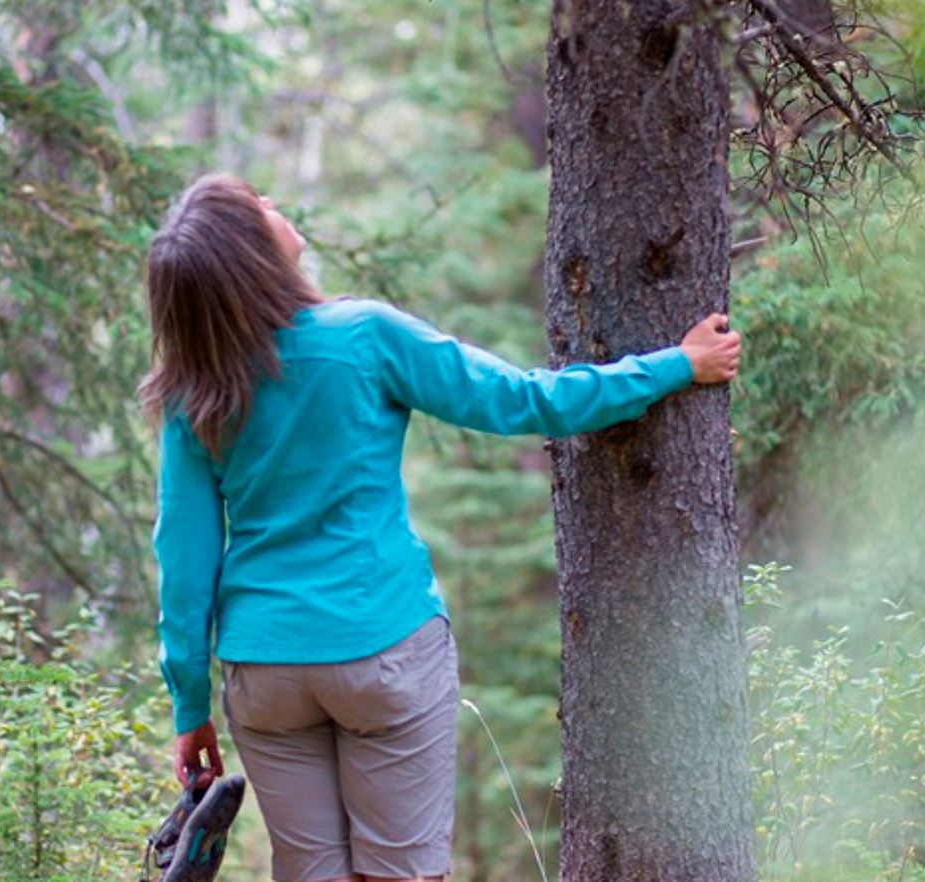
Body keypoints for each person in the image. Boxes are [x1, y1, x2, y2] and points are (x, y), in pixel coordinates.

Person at [142, 173, 741, 882]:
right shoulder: (363, 336)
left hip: (266, 676)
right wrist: (676, 365)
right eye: (257, 208)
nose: (274, 206)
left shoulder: (194, 392)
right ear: (248, 252)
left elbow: (182, 567)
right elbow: (526, 402)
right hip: (383, 647)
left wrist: (189, 707)